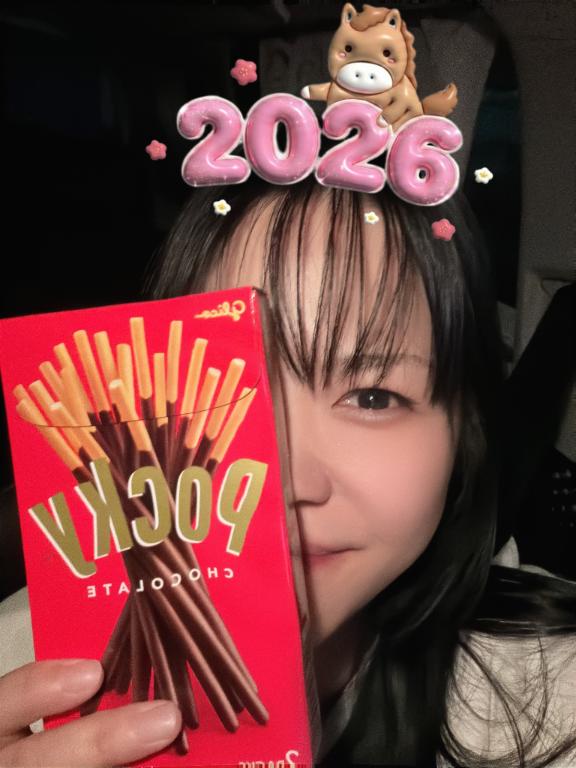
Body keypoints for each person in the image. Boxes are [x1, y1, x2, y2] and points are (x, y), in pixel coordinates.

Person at [1, 177, 576, 767]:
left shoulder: (555, 695)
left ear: (464, 432)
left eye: (373, 397)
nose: (287, 484)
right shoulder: (15, 660)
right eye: (225, 389)